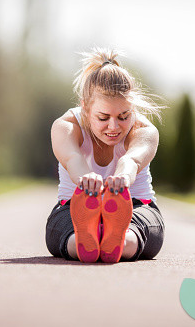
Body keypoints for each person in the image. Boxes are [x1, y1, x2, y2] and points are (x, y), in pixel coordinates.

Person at [46, 48, 165, 263]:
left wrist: (122, 180)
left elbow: (133, 159)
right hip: (73, 206)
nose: (114, 126)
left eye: (123, 116)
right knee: (63, 231)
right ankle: (85, 239)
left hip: (136, 205)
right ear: (85, 109)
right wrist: (85, 180)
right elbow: (73, 158)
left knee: (141, 230)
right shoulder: (65, 126)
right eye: (103, 117)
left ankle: (117, 239)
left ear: (133, 109)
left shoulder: (144, 130)